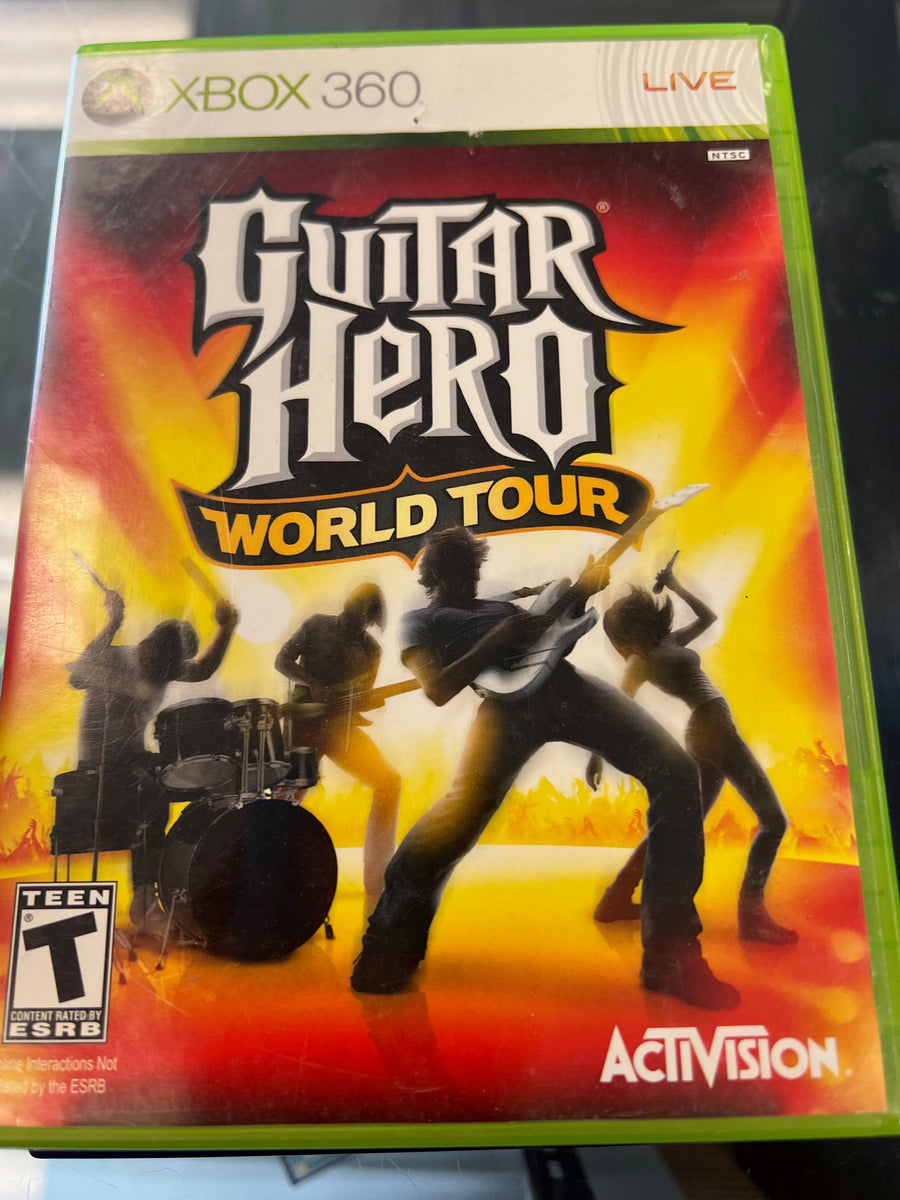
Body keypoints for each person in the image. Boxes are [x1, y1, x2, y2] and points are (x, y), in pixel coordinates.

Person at [351, 526, 740, 1010]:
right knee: (457, 815)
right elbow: (437, 689)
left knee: (677, 773)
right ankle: (387, 946)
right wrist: (497, 640)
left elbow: (552, 637)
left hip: (566, 687)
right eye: (460, 573)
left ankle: (673, 960)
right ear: (437, 576)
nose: (471, 581)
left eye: (474, 571)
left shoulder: (506, 608)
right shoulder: (421, 621)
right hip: (504, 712)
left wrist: (583, 592)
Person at [591, 557, 796, 944]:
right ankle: (751, 919)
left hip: (707, 730)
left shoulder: (666, 644)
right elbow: (617, 709)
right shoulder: (640, 661)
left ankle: (614, 898)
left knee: (679, 825)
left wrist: (675, 584)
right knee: (773, 822)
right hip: (713, 728)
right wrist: (596, 756)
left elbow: (708, 618)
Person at [68, 588, 239, 934]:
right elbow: (77, 677)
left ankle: (190, 879)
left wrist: (226, 627)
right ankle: (145, 901)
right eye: (156, 663)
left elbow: (203, 669)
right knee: (152, 797)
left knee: (200, 776)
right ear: (147, 644)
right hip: (100, 764)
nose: (160, 674)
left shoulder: (164, 666)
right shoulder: (114, 657)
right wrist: (113, 622)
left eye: (169, 671)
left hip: (134, 759)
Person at [275, 583, 401, 903]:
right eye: (352, 612)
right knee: (289, 796)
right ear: (346, 605)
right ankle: (268, 867)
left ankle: (378, 875)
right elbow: (282, 661)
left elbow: (361, 696)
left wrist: (369, 701)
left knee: (389, 783)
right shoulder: (316, 624)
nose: (354, 622)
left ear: (371, 620)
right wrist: (312, 684)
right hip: (304, 725)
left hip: (341, 730)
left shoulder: (372, 650)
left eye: (364, 618)